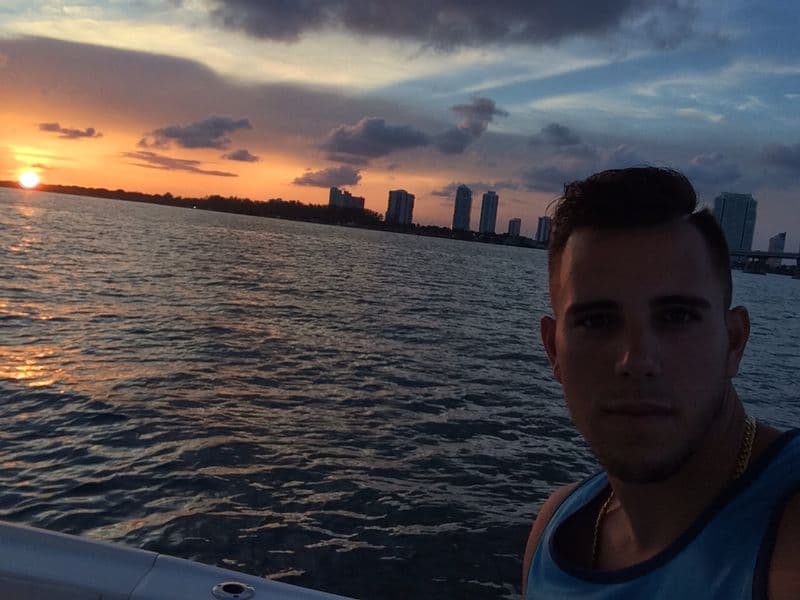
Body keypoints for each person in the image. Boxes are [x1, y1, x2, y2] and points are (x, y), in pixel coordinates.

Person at [522, 167, 799, 599]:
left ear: (734, 341)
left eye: (677, 317)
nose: (637, 360)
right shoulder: (553, 529)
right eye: (596, 321)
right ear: (553, 352)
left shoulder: (786, 540)